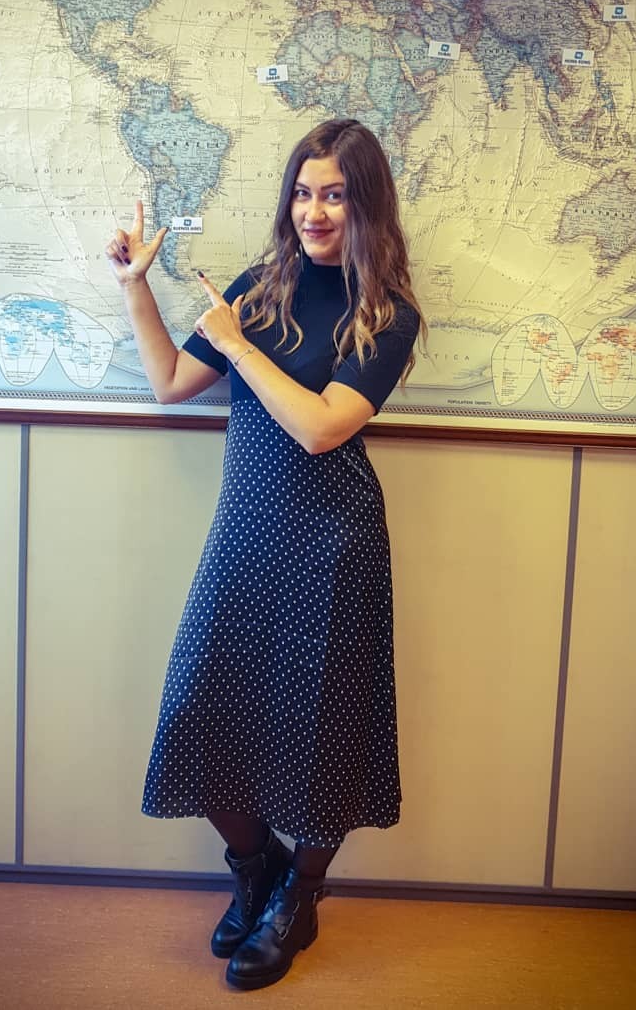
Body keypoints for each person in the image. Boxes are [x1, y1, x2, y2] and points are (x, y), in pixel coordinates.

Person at [105, 118, 423, 991]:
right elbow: (172, 384)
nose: (313, 212)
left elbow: (322, 429)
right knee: (200, 713)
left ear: (367, 205)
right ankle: (258, 871)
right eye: (303, 193)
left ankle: (300, 897)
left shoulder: (387, 316)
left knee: (325, 730)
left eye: (335, 195)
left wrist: (240, 344)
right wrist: (136, 287)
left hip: (335, 542)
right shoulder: (260, 287)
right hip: (246, 535)